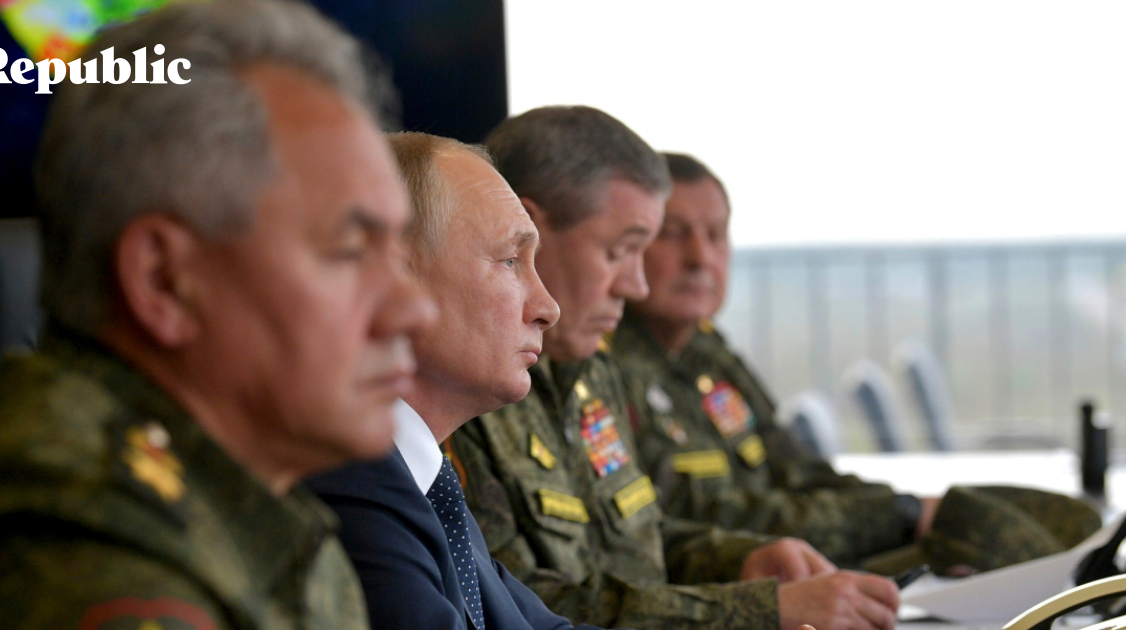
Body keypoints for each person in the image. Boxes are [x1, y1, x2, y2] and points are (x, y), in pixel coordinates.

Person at [0, 2, 435, 628]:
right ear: (163, 281)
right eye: (350, 251)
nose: (414, 309)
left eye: (396, 251)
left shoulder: (252, 503)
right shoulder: (81, 556)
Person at [448, 106, 901, 630]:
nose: (635, 285)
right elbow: (520, 608)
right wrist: (758, 611)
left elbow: (635, 543)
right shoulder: (467, 391)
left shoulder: (588, 372)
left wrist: (743, 559)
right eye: (619, 251)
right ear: (527, 232)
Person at [610, 152, 1100, 575]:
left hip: (804, 559)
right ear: (630, 246)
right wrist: (899, 517)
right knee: (1008, 545)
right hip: (747, 579)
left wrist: (907, 511)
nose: (700, 257)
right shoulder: (606, 366)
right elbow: (691, 518)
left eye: (716, 235)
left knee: (1064, 526)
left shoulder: (707, 354)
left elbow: (801, 471)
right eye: (672, 235)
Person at [306, 132, 600, 630]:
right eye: (510, 261)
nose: (547, 307)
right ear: (393, 278)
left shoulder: (422, 481)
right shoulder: (348, 478)